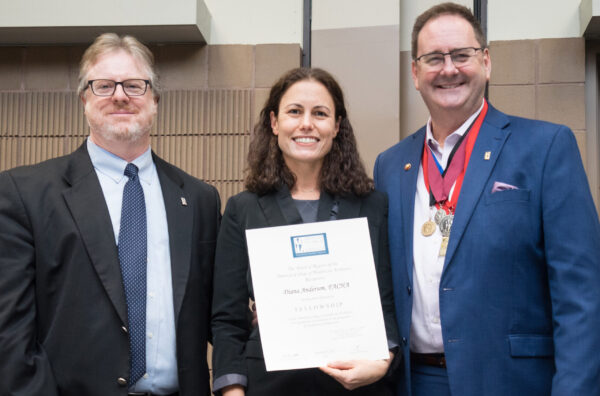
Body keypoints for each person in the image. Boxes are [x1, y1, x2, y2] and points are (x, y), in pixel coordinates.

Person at [374, 2, 600, 396]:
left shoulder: (545, 147)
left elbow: (581, 295)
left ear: (486, 62)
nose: (448, 69)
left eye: (462, 55)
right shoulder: (391, 166)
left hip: (512, 382)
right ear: (415, 72)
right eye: (433, 58)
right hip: (414, 382)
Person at [0, 33, 221, 396]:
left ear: (154, 100)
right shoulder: (24, 194)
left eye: (135, 85)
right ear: (84, 100)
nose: (120, 95)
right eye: (103, 85)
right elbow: (8, 332)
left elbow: (218, 313)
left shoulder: (199, 199)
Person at [211, 67, 398, 396]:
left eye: (320, 113)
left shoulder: (372, 206)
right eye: (294, 112)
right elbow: (227, 317)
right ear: (274, 122)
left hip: (357, 385)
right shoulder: (243, 209)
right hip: (270, 384)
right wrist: (232, 391)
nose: (306, 124)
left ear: (337, 126)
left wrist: (383, 361)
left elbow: (386, 302)